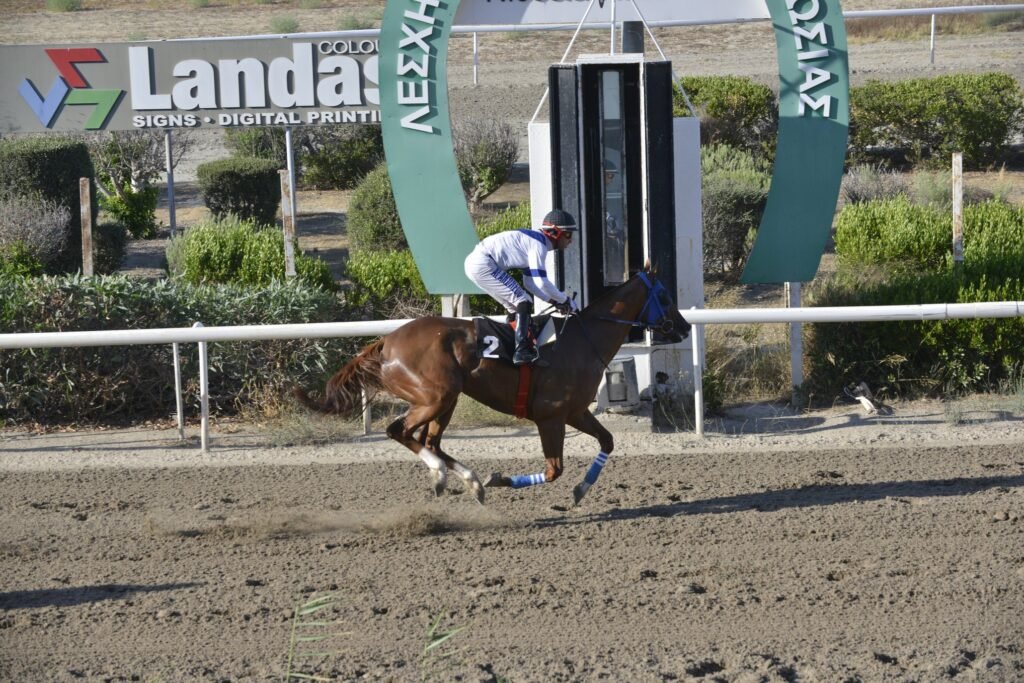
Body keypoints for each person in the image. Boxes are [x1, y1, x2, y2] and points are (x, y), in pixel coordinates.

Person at [464, 208, 580, 366]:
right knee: (522, 300)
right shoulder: (538, 245)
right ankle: (521, 351)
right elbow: (541, 282)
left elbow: (529, 283)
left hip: (478, 263)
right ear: (555, 233)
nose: (570, 240)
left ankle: (511, 347)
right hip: (484, 264)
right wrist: (566, 300)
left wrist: (554, 302)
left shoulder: (534, 243)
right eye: (568, 235)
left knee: (515, 306)